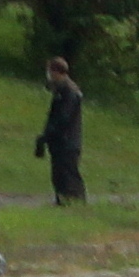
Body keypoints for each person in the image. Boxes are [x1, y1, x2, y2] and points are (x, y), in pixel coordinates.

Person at [35, 57, 86, 205]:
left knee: (67, 174)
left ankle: (72, 201)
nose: (49, 75)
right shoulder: (61, 90)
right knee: (59, 174)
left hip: (67, 142)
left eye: (50, 71)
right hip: (60, 142)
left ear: (57, 72)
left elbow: (62, 117)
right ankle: (63, 200)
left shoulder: (69, 92)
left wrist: (48, 134)